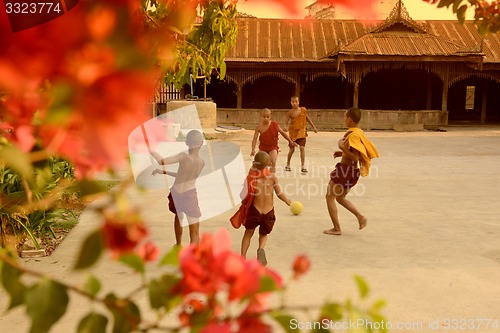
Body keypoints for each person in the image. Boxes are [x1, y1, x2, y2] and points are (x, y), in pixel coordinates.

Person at [324, 107, 379, 236]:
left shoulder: (353, 134)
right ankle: (360, 217)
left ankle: (336, 229)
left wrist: (341, 147)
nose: (344, 120)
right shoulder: (358, 132)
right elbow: (355, 152)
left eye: (345, 117)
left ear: (349, 119)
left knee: (329, 196)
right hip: (352, 171)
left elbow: (355, 157)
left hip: (345, 171)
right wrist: (342, 152)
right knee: (340, 197)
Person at [230, 151, 292, 266]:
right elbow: (279, 193)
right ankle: (260, 249)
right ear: (269, 163)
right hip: (268, 212)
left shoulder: (252, 177)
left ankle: (243, 256)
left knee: (248, 233)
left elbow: (243, 195)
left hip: (255, 211)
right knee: (263, 234)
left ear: (255, 164)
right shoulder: (272, 177)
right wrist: (287, 200)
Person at [151, 130, 205, 245]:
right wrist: (164, 172)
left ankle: (178, 243)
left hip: (176, 193)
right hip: (189, 195)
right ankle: (193, 255)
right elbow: (188, 177)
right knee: (194, 231)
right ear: (201, 143)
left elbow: (162, 161)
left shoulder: (183, 156)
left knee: (178, 216)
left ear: (186, 143)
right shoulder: (201, 163)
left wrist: (150, 150)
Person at [251, 108, 297, 173]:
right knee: (260, 164)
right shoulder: (259, 127)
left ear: (270, 117)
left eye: (267, 117)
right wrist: (253, 149)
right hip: (263, 148)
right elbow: (254, 139)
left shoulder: (275, 125)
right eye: (264, 117)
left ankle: (272, 178)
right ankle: (261, 177)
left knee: (273, 162)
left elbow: (283, 133)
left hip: (273, 147)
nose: (266, 118)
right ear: (261, 116)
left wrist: (290, 141)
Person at [284, 96, 318, 174]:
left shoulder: (303, 110)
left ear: (298, 102)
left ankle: (303, 166)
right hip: (293, 132)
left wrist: (314, 127)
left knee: (302, 148)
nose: (294, 103)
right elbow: (286, 122)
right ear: (291, 103)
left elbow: (308, 119)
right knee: (292, 149)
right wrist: (285, 127)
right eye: (293, 102)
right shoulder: (290, 112)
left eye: (296, 101)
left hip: (302, 132)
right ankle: (288, 164)